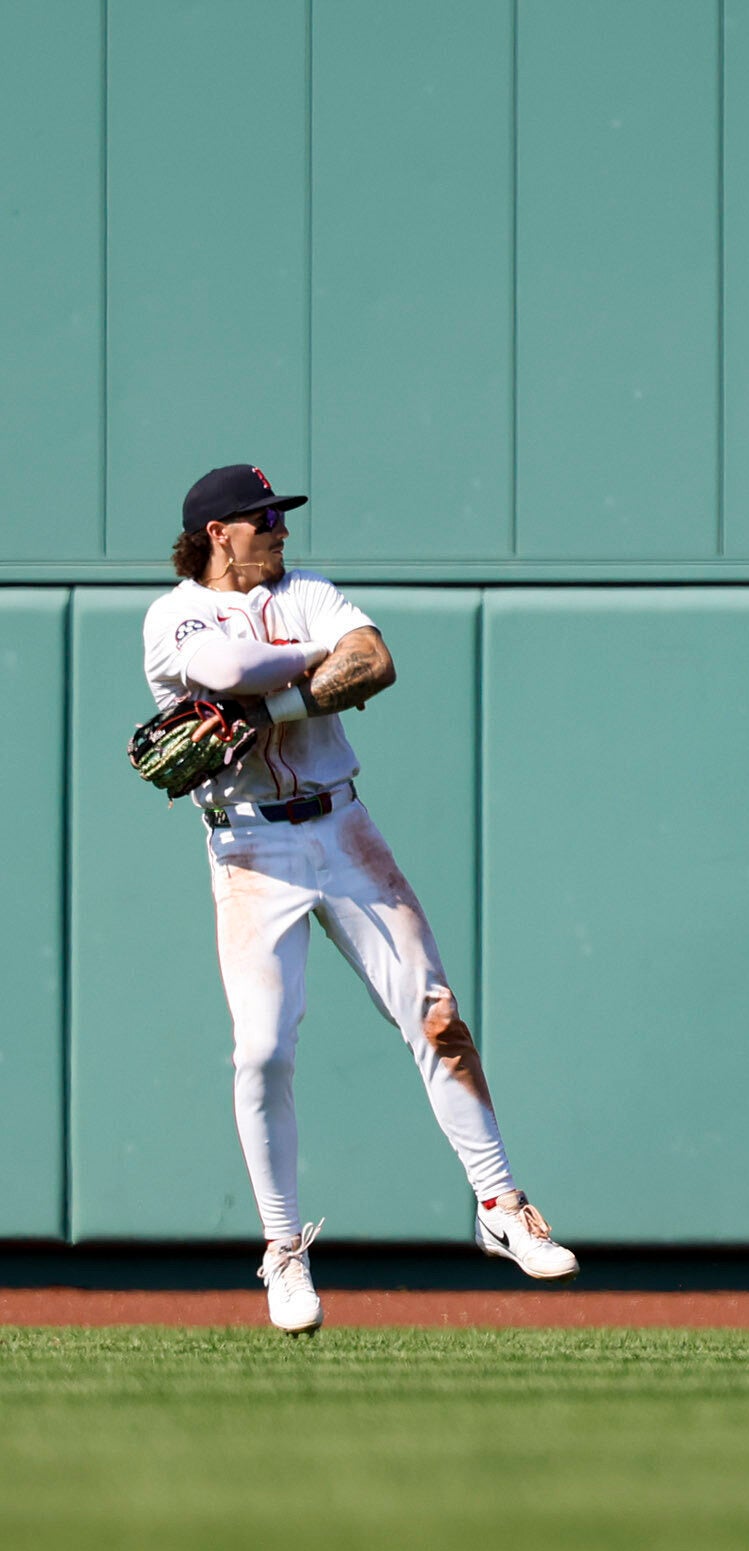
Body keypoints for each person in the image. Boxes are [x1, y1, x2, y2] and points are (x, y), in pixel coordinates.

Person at [142, 464, 578, 1332]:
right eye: (263, 518)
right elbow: (223, 664)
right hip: (250, 846)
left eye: (280, 516)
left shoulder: (307, 590)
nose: (281, 530)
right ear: (218, 533)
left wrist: (273, 706)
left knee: (436, 1016)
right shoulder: (174, 614)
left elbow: (374, 661)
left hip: (342, 826)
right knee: (262, 1052)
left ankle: (501, 1207)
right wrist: (312, 658)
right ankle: (283, 1251)